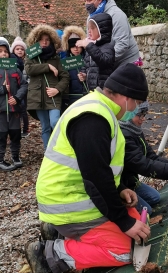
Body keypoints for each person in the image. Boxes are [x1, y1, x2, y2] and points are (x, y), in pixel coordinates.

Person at [24, 63, 151, 273]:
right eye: (136, 102)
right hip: (68, 201)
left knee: (138, 223)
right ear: (125, 96)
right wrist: (123, 221)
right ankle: (49, 254)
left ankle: (58, 232)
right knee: (123, 251)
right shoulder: (94, 119)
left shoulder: (98, 109)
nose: (136, 108)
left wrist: (120, 190)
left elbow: (98, 168)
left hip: (73, 193)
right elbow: (96, 178)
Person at [120, 101, 168, 215]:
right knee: (147, 211)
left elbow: (150, 156)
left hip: (130, 181)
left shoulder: (134, 130)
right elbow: (143, 165)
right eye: (140, 115)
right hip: (120, 185)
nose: (143, 119)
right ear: (128, 114)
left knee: (154, 197)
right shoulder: (124, 135)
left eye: (145, 115)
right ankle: (121, 205)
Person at [25, 24, 70, 150]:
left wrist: (57, 89)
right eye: (41, 39)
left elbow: (65, 77)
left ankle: (62, 148)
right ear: (36, 40)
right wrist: (48, 67)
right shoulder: (31, 56)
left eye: (47, 40)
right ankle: (48, 153)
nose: (44, 42)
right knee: (45, 126)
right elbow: (28, 69)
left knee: (55, 122)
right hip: (37, 97)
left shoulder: (55, 58)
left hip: (53, 97)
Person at [83, 0, 142, 68]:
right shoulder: (90, 17)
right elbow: (90, 41)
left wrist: (103, 60)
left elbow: (122, 44)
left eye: (89, 0)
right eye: (85, 1)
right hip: (106, 62)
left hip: (127, 63)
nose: (86, 4)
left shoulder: (117, 15)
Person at [0, 37, 28, 171]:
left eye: (5, 51)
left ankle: (15, 156)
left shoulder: (15, 69)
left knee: (15, 134)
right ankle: (0, 159)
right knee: (2, 134)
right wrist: (3, 89)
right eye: (0, 51)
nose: (3, 54)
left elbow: (24, 85)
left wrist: (17, 97)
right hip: (1, 109)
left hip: (14, 109)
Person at [77, 13, 115, 91]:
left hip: (103, 91)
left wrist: (89, 46)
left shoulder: (108, 47)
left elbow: (104, 62)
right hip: (91, 91)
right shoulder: (90, 48)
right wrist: (84, 75)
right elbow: (86, 66)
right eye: (88, 28)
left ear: (102, 30)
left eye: (93, 28)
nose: (89, 31)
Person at [61, 25, 87, 112]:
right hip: (71, 97)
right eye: (72, 46)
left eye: (78, 46)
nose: (76, 49)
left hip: (86, 95)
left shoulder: (88, 59)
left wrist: (85, 76)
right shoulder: (65, 62)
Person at [10, 36, 30, 138]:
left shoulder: (25, 62)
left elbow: (28, 75)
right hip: (15, 88)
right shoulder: (12, 61)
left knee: (23, 109)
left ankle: (25, 128)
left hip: (23, 88)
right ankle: (17, 128)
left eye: (22, 49)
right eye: (17, 49)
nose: (20, 51)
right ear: (13, 50)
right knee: (19, 109)